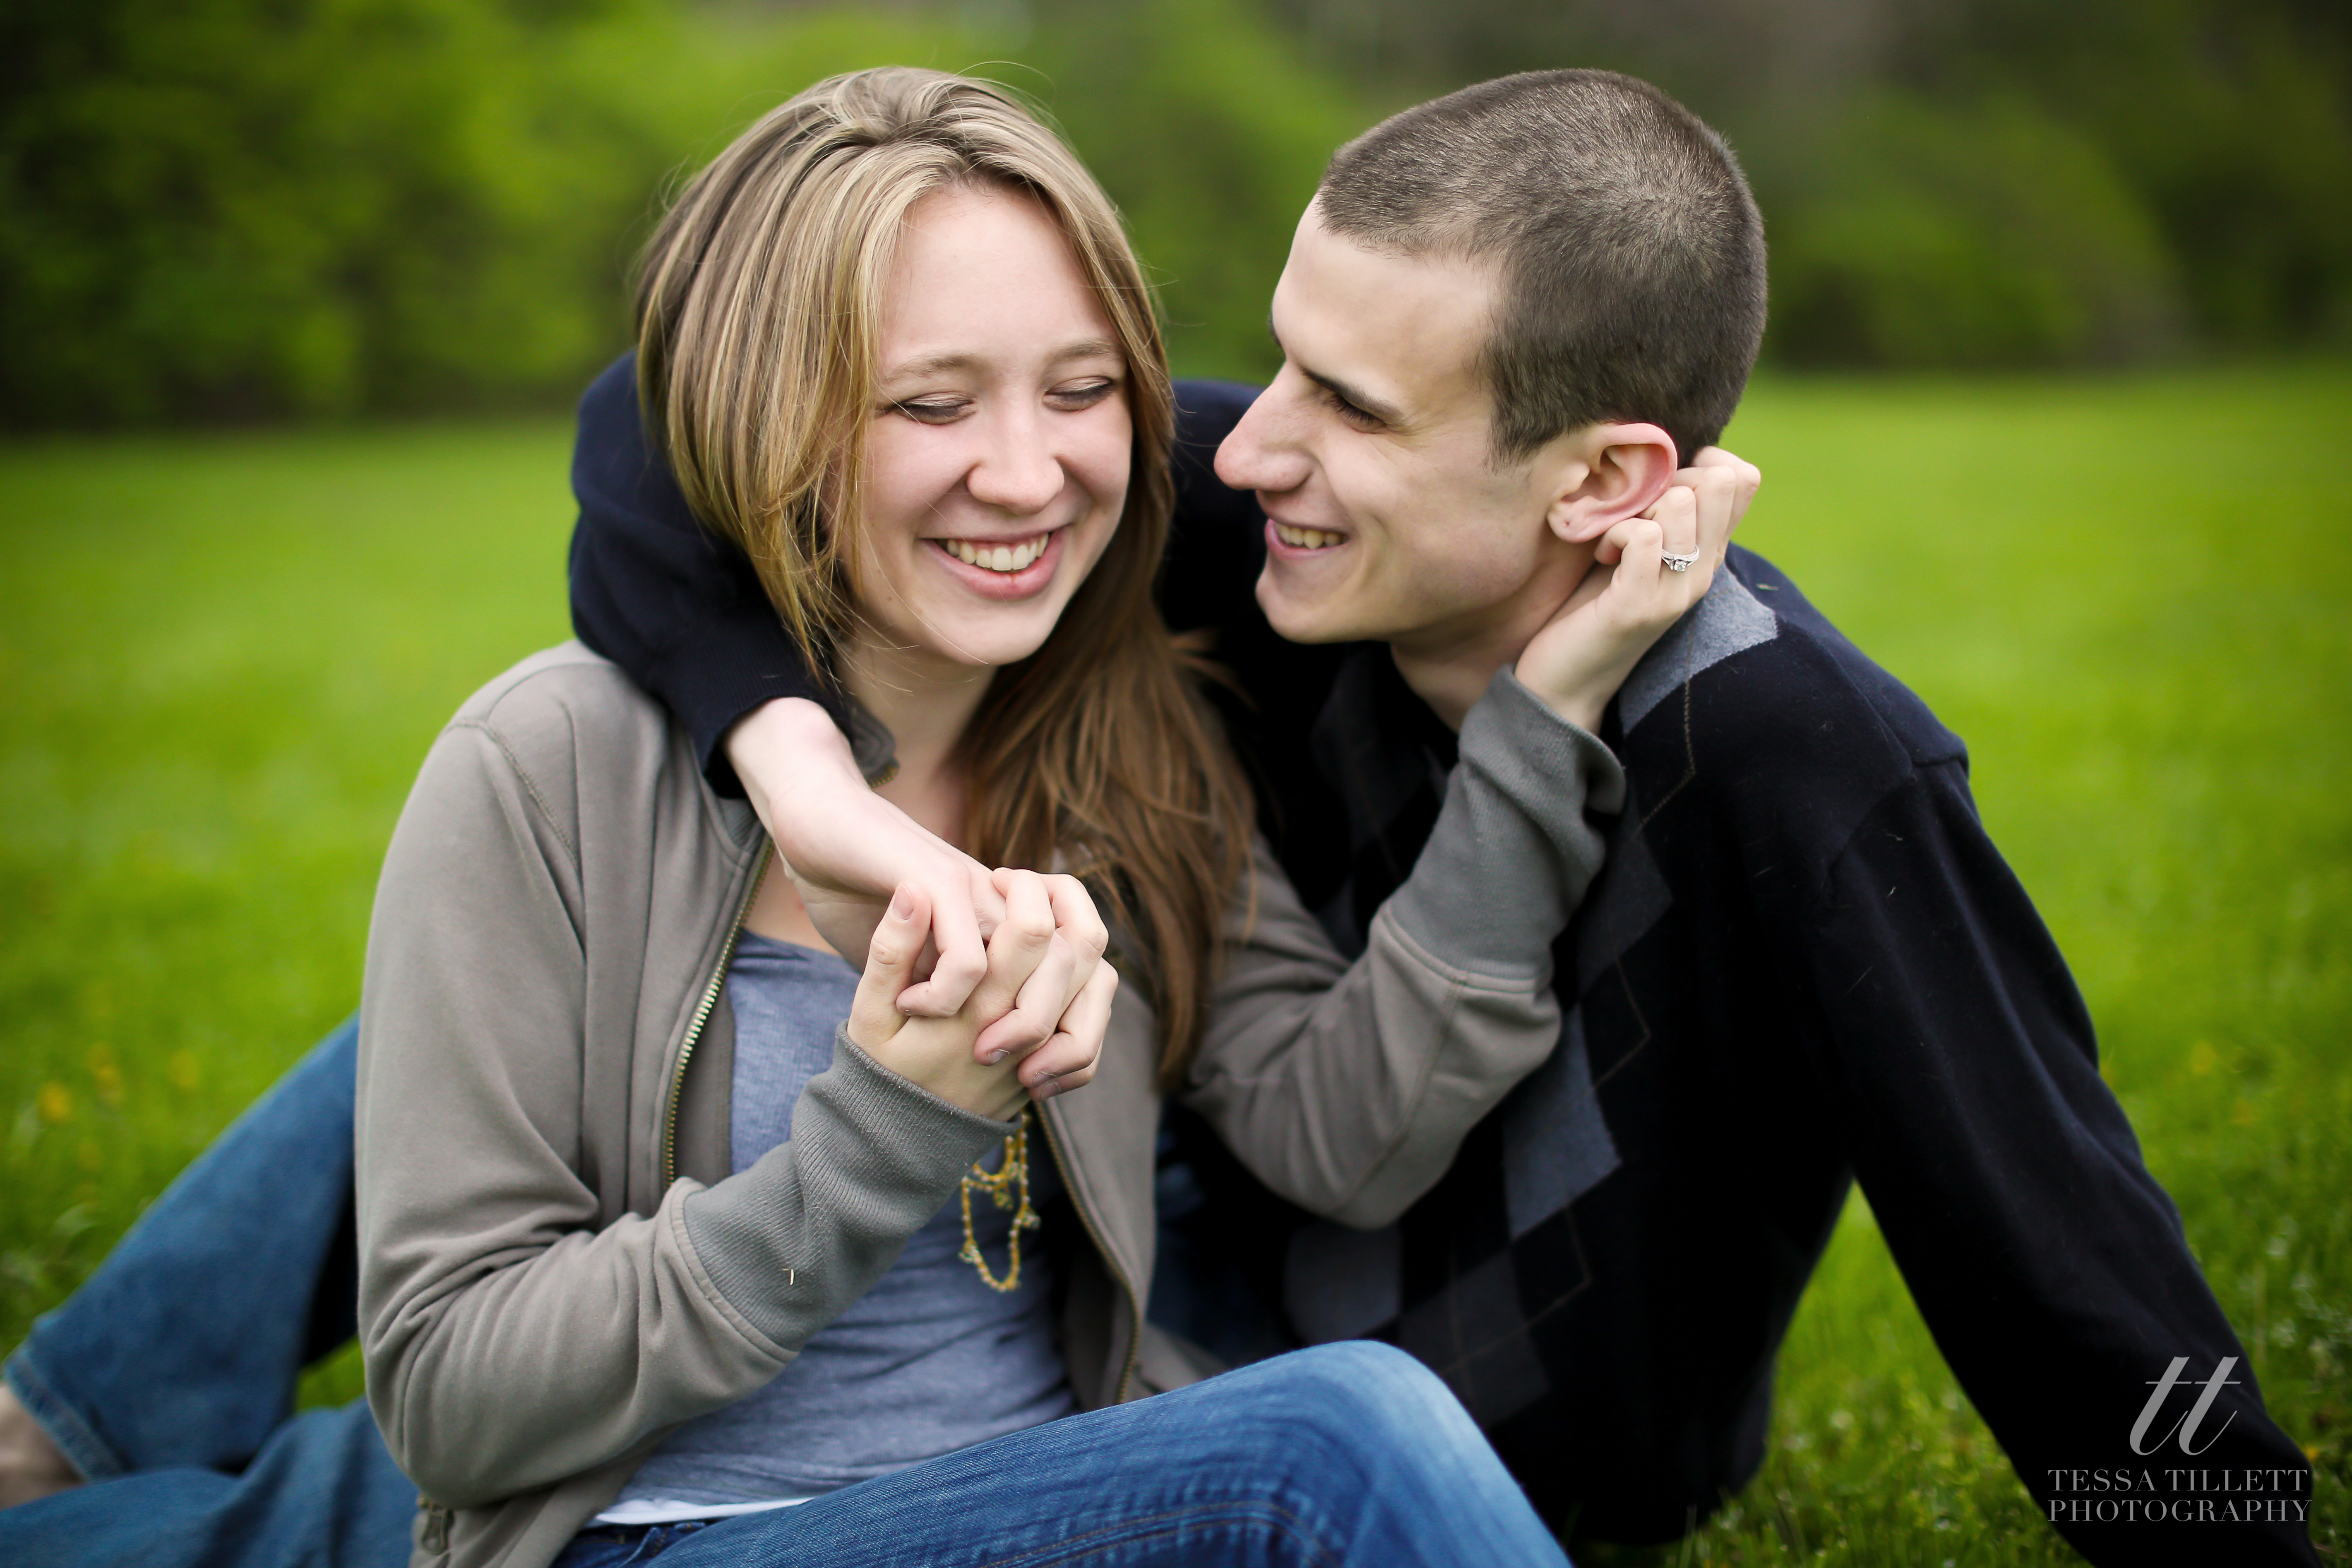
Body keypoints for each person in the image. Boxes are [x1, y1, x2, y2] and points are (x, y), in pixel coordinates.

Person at [561, 70, 2322, 1567]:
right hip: (1191, 1267)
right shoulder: (1277, 533)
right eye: (1282, 367)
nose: (1248, 452)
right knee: (612, 926)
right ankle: (295, 1422)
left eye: (1347, 405)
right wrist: (797, 776)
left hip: (1477, 1422)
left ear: (1606, 481)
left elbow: (2050, 1251)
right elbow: (666, 410)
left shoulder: (1786, 747)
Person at [2, 66, 1738, 1568]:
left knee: (1332, 1432)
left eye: (1079, 392)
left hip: (1051, 1503)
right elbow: (455, 1404)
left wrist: (1539, 726)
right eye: (929, 404)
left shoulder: (1128, 750)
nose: (1023, 471)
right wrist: (877, 1139)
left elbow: (1336, 1134)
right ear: (775, 418)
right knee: (1339, 1443)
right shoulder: (549, 771)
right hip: (658, 1539)